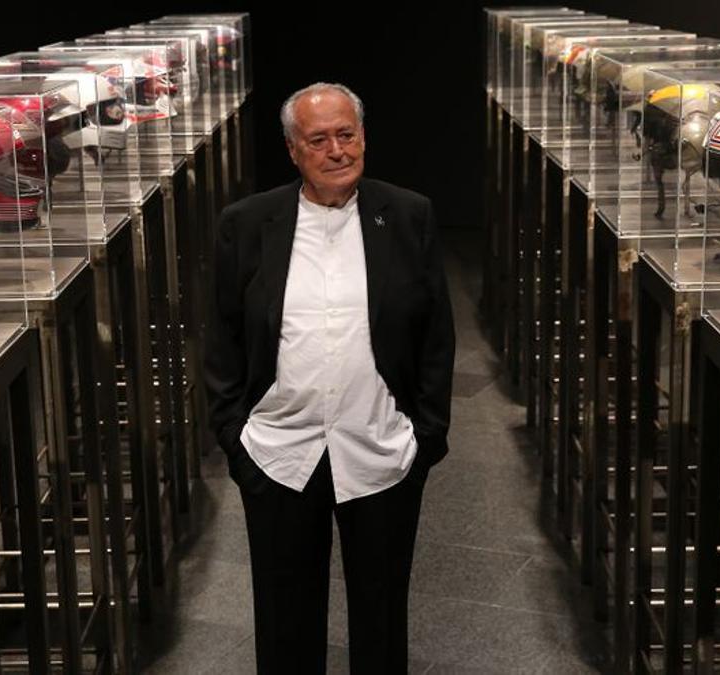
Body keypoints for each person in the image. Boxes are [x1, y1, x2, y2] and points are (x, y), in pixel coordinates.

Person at [204, 82, 455, 673]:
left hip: (381, 448)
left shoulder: (410, 213)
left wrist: (426, 439)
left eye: (347, 134)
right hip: (277, 452)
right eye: (319, 139)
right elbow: (223, 338)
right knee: (284, 623)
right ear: (293, 149)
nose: (337, 150)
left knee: (382, 619)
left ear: (363, 137)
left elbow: (436, 337)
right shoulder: (246, 223)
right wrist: (233, 439)